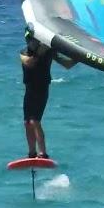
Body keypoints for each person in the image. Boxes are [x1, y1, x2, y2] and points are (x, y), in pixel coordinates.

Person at [20, 25, 77, 159]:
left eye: (34, 40)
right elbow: (30, 62)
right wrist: (43, 47)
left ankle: (43, 153)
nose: (32, 43)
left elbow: (67, 64)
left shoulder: (49, 51)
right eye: (30, 40)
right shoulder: (24, 53)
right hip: (29, 89)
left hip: (41, 88)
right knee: (27, 122)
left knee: (35, 120)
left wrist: (79, 57)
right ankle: (31, 152)